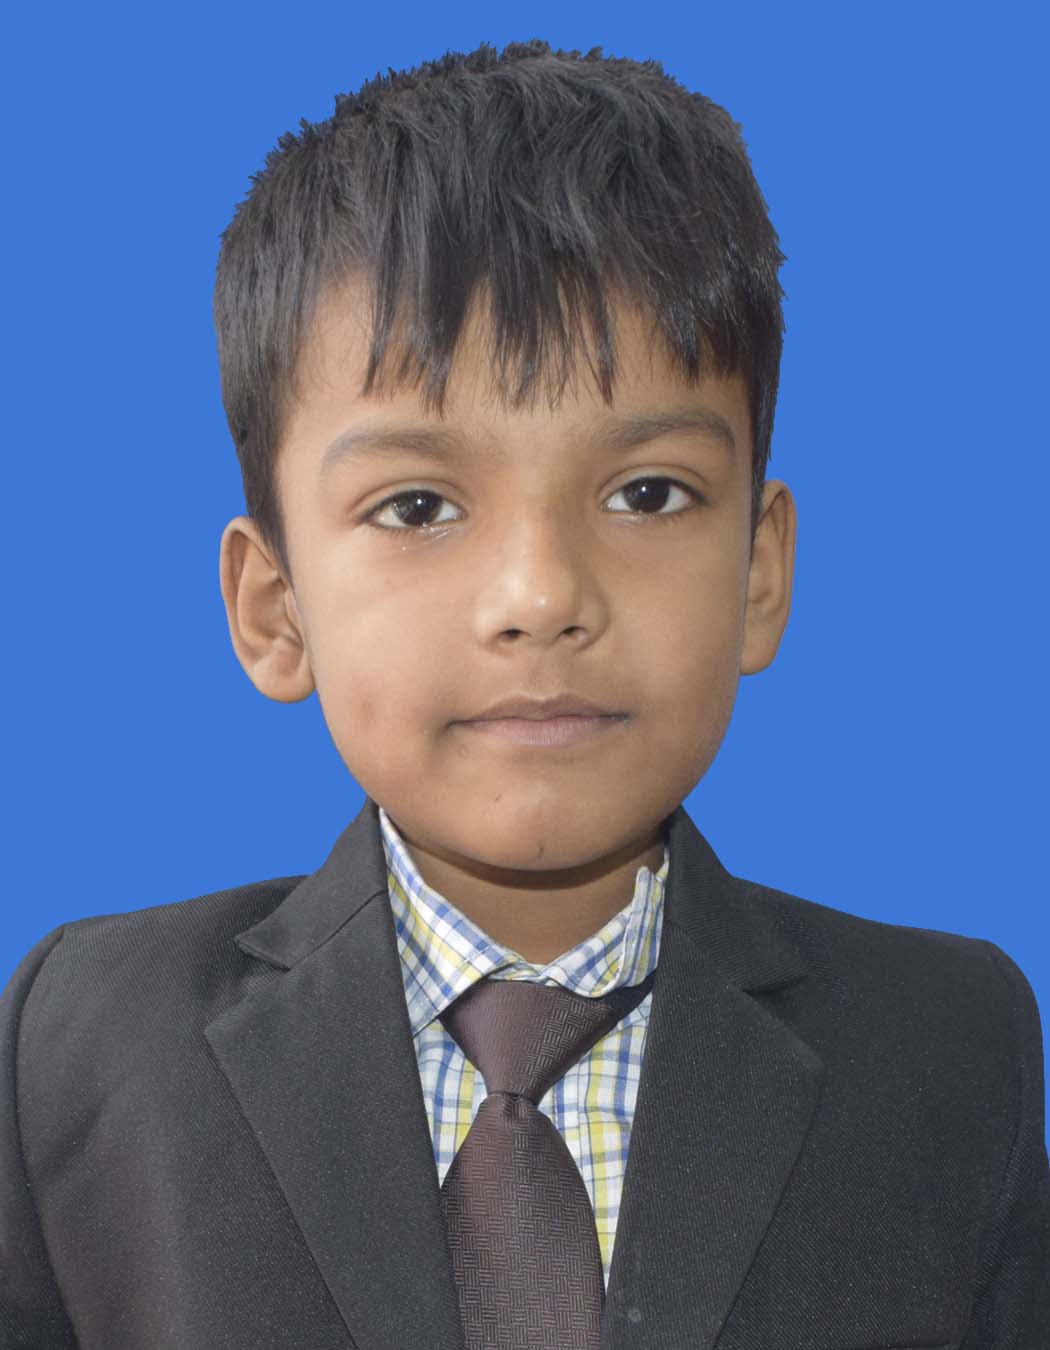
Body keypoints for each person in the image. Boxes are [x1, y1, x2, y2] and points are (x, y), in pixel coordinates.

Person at [1, 37, 1046, 1349]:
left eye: (647, 493)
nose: (539, 593)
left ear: (759, 572)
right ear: (275, 607)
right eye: (417, 505)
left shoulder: (952, 1048)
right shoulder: (86, 1046)